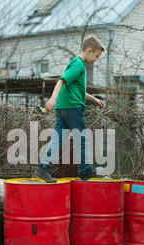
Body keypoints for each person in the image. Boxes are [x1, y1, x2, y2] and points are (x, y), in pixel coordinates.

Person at [34, 35, 106, 183]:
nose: (96, 60)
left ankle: (43, 168)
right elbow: (61, 80)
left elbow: (77, 90)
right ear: (89, 50)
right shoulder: (78, 64)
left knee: (58, 138)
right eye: (96, 56)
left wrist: (94, 99)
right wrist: (52, 98)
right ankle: (85, 170)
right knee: (82, 138)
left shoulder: (76, 64)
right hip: (73, 108)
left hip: (63, 108)